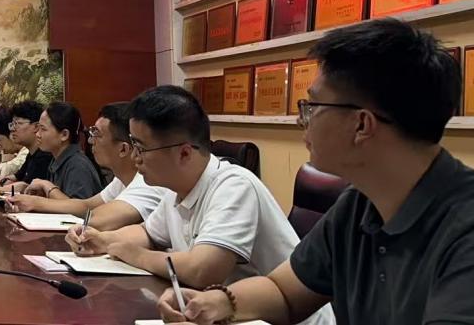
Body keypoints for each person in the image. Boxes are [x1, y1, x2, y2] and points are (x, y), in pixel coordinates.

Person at [159, 19, 474, 325]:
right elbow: (284, 292)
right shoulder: (360, 204)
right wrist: (218, 302)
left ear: (361, 125)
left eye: (312, 106)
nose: (301, 120)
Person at [70, 86, 330, 325]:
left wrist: (135, 254)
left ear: (184, 152)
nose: (135, 158)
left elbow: (203, 270)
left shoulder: (234, 186)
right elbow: (147, 233)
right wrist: (103, 241)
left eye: (141, 148)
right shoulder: (176, 189)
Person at [7, 102, 165, 231]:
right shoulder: (121, 180)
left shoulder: (147, 183)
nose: (90, 141)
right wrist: (32, 202)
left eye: (96, 134)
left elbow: (96, 218)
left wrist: (42, 197)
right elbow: (85, 206)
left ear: (123, 149)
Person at [21, 101, 103, 199]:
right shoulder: (56, 159)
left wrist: (46, 185)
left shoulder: (77, 165)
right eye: (38, 128)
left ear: (64, 135)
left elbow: (78, 206)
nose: (38, 134)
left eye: (43, 129)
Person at [0, 100, 52, 193]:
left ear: (36, 127)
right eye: (12, 124)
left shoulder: (45, 157)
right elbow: (14, 178)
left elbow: (28, 190)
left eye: (18, 124)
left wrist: (3, 188)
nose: (13, 129)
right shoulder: (31, 154)